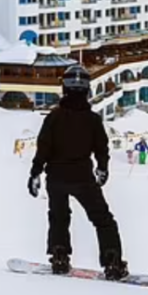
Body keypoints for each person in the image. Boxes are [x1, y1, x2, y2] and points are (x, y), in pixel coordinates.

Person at [28, 64, 129, 281]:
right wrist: (102, 168)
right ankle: (112, 261)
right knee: (103, 220)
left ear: (64, 88)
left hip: (56, 177)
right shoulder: (92, 120)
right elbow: (101, 147)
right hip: (82, 177)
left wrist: (35, 173)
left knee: (58, 217)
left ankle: (59, 255)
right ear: (87, 90)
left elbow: (43, 147)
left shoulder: (54, 117)